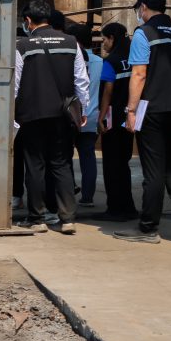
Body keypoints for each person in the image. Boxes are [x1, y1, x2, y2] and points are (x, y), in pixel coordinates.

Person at [116, 0, 171, 243]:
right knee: (166, 163)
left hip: (151, 110)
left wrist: (131, 111)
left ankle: (148, 228)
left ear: (143, 7)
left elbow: (139, 74)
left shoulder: (144, 33)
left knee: (153, 169)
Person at [13, 0, 90, 234]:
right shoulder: (71, 43)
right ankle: (67, 218)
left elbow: (14, 85)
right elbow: (81, 81)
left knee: (34, 165)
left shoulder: (22, 46)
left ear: (28, 21)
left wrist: (12, 118)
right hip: (63, 114)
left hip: (32, 115)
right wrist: (82, 110)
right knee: (62, 164)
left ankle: (37, 218)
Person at [96, 22, 138, 221]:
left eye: (104, 39)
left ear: (112, 38)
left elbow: (107, 91)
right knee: (124, 163)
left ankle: (114, 209)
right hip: (130, 118)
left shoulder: (110, 61)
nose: (103, 43)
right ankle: (128, 207)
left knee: (112, 165)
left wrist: (101, 117)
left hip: (112, 119)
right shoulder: (134, 60)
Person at [70, 24, 103, 207]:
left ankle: (69, 189)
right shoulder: (100, 62)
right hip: (92, 116)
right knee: (88, 157)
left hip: (71, 116)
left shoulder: (70, 59)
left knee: (64, 157)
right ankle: (87, 197)